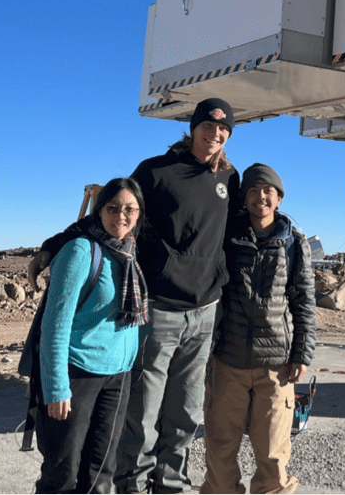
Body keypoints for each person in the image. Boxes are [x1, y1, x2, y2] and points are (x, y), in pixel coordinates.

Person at [28, 97, 241, 494]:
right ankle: (132, 485)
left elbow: (234, 234)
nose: (214, 134)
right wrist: (55, 243)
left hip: (204, 311)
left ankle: (171, 486)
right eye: (207, 127)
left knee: (186, 413)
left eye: (223, 129)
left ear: (228, 134)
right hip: (160, 308)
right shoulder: (156, 171)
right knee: (142, 413)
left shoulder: (229, 179)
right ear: (193, 127)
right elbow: (114, 213)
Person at [200, 163, 316, 495]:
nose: (260, 197)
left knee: (273, 459)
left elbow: (304, 301)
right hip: (228, 362)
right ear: (244, 198)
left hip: (276, 367)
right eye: (252, 191)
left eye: (267, 191)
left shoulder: (294, 243)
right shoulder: (227, 237)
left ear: (278, 198)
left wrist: (301, 353)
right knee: (219, 455)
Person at [35, 177, 149, 494]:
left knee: (101, 473)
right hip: (77, 374)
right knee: (62, 474)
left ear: (139, 214)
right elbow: (54, 323)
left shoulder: (129, 253)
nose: (121, 217)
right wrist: (55, 387)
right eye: (112, 208)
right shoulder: (81, 251)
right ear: (98, 212)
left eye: (130, 209)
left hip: (118, 375)